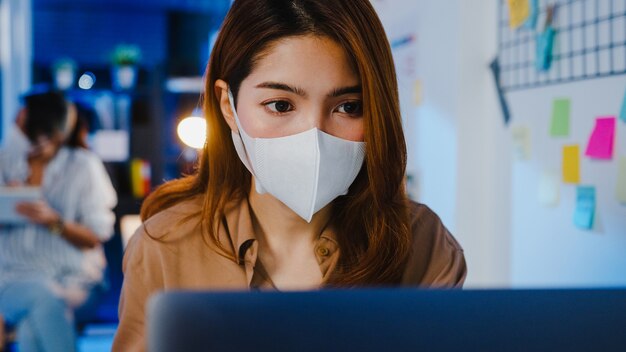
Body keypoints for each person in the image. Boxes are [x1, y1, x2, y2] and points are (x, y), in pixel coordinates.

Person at [113, 0, 466, 350]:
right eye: (281, 105)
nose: (313, 135)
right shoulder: (165, 247)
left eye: (348, 107)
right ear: (228, 107)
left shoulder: (420, 243)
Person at [0, 91, 117, 352]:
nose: (15, 122)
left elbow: (95, 236)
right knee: (46, 298)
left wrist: (55, 222)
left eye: (21, 117)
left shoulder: (83, 166)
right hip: (11, 280)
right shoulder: (4, 163)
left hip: (75, 279)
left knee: (35, 320)